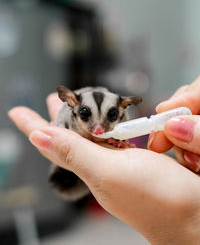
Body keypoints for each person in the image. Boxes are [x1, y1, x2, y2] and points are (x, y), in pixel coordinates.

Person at [8, 76, 200, 245]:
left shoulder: (122, 116)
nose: (98, 129)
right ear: (71, 103)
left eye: (111, 115)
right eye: (86, 114)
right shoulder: (66, 116)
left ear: (123, 107)